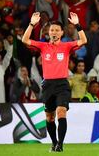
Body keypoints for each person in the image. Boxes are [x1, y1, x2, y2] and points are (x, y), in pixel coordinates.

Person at [22, 12, 87, 152]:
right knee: (49, 117)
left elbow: (83, 40)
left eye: (57, 30)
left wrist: (77, 25)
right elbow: (25, 40)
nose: (54, 32)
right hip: (47, 85)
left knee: (61, 112)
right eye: (52, 30)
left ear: (62, 32)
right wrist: (32, 24)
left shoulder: (67, 46)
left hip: (62, 84)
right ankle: (54, 142)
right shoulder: (43, 46)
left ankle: (61, 145)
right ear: (48, 32)